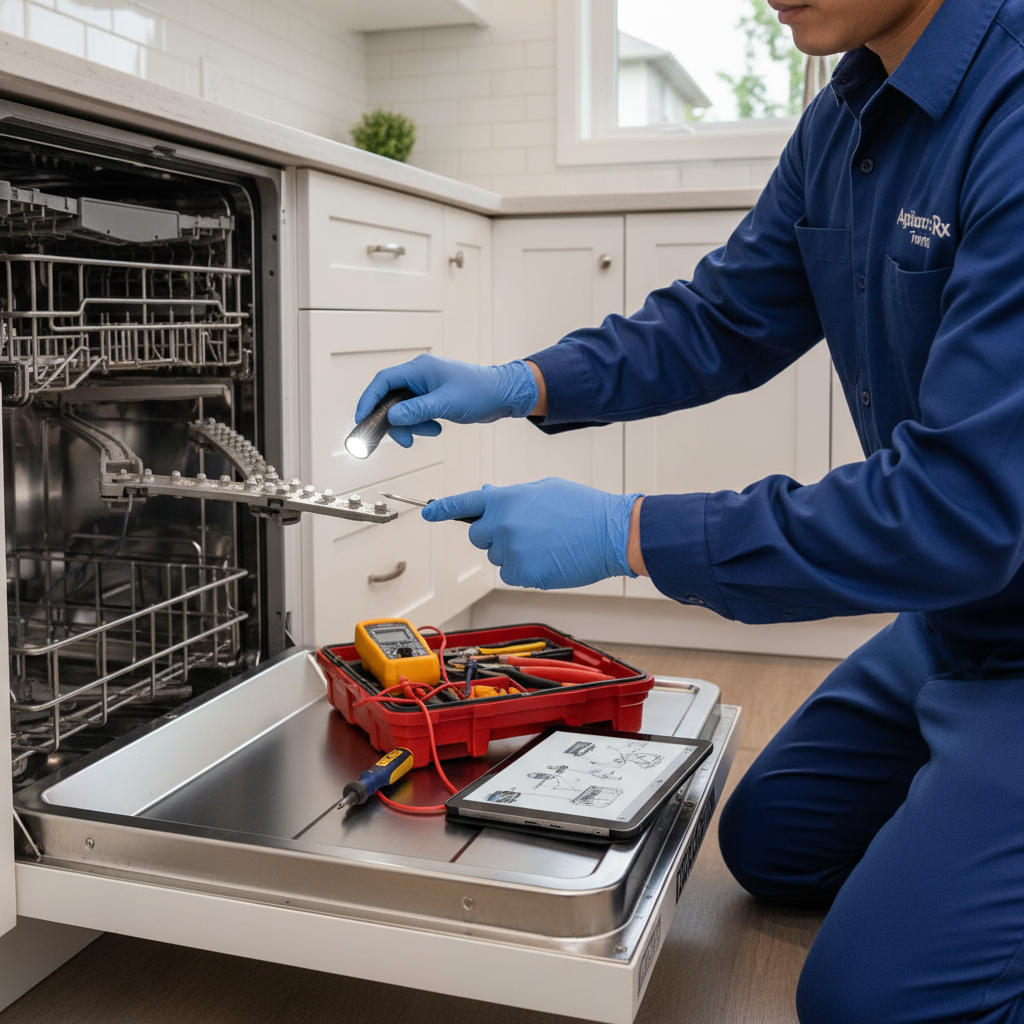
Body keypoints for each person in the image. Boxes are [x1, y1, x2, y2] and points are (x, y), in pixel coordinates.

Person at [354, 0, 1024, 1019]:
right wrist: (521, 382)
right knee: (774, 843)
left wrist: (627, 533)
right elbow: (723, 317)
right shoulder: (848, 113)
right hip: (958, 615)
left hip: (993, 579)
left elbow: (955, 509)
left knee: (869, 1002)